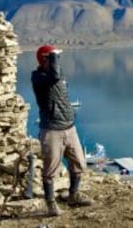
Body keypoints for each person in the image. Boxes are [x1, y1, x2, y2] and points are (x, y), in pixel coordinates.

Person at [31, 44, 94, 216]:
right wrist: (52, 56)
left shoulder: (57, 74)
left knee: (79, 163)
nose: (58, 60)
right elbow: (54, 76)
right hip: (51, 130)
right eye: (54, 57)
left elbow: (59, 82)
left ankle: (73, 195)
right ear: (45, 59)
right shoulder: (38, 77)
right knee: (51, 169)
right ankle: (51, 204)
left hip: (69, 127)